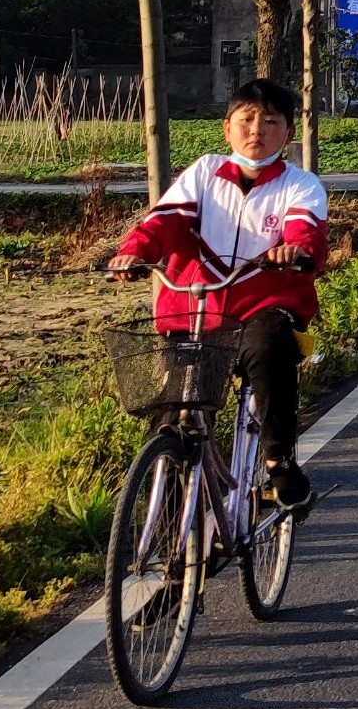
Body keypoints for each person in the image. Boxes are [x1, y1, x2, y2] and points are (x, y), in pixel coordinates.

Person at [106, 76, 329, 518]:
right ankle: (167, 534)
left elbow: (306, 229)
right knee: (171, 415)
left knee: (269, 349)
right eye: (246, 119)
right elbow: (165, 220)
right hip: (196, 310)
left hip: (261, 307)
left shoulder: (300, 185)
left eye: (270, 121)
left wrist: (295, 250)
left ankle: (278, 461)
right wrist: (134, 252)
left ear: (288, 132)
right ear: (227, 127)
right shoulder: (204, 173)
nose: (256, 131)